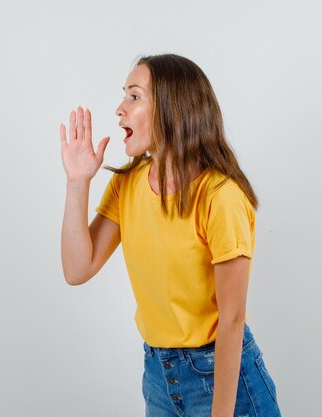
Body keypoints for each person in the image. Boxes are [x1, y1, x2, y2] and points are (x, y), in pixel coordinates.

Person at [59, 54, 281, 417]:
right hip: (158, 376)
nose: (119, 109)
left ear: (171, 108)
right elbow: (76, 269)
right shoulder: (126, 184)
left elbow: (232, 318)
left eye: (134, 96)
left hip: (221, 377)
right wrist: (77, 182)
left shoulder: (220, 196)